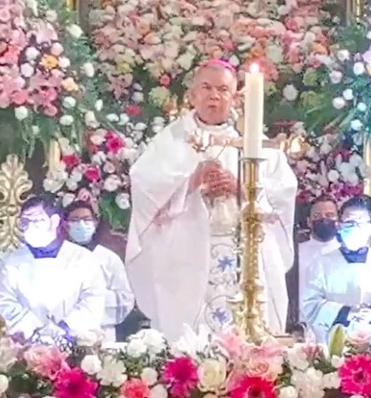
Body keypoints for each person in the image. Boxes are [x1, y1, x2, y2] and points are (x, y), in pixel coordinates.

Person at [126, 60, 297, 340]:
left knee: (246, 340)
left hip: (244, 254)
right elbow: (145, 188)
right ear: (192, 95)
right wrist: (192, 180)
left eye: (223, 89)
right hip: (187, 256)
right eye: (206, 88)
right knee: (187, 340)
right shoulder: (170, 142)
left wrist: (243, 187)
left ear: (235, 97)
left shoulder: (252, 142)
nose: (214, 95)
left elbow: (283, 193)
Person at [301, 195, 371, 343]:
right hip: (334, 344)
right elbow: (309, 303)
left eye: (360, 222)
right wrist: (345, 312)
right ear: (339, 225)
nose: (354, 227)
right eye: (349, 222)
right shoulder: (320, 265)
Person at [0, 195, 105, 342]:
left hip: (73, 340)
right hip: (26, 342)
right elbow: (3, 299)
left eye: (38, 221)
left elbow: (93, 298)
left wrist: (66, 327)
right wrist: (34, 328)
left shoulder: (82, 258)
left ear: (54, 221)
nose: (30, 227)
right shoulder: (12, 260)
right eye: (25, 222)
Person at [63, 200, 136, 344]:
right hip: (67, 332)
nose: (81, 224)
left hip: (103, 332)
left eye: (86, 219)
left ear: (95, 223)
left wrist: (92, 298)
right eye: (75, 220)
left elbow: (126, 299)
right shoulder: (60, 257)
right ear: (66, 225)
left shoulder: (109, 258)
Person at [297, 195, 341, 297]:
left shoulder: (347, 252)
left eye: (329, 215)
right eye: (317, 216)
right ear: (309, 222)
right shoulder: (297, 253)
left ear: (338, 220)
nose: (324, 219)